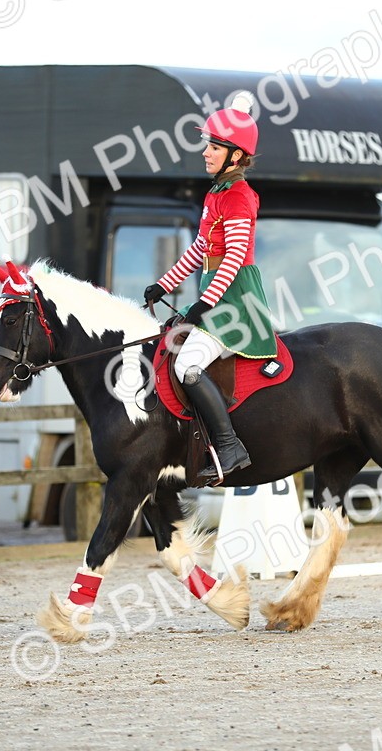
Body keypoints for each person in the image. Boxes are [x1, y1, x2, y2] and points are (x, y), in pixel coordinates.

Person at [144, 95, 276, 480]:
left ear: (235, 157)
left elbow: (233, 258)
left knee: (186, 364)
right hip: (217, 295)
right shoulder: (215, 194)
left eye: (214, 147)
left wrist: (204, 302)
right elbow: (200, 250)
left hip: (237, 301)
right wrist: (163, 285)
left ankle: (230, 446)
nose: (205, 152)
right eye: (208, 145)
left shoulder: (237, 196)